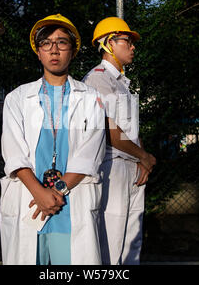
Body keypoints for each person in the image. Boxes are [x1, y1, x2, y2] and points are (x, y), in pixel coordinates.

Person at [0, 14, 106, 265]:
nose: (54, 49)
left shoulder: (91, 98)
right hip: (31, 200)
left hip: (68, 202)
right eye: (46, 43)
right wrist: (39, 193)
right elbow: (14, 153)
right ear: (38, 52)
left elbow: (90, 154)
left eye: (61, 42)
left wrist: (55, 192)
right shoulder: (16, 98)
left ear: (73, 50)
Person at [82, 17, 157, 265]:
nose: (133, 46)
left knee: (131, 243)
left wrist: (142, 159)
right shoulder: (97, 79)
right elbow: (111, 131)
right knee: (111, 242)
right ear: (109, 44)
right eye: (127, 40)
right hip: (111, 166)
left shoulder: (121, 83)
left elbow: (131, 130)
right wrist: (144, 156)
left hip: (131, 166)